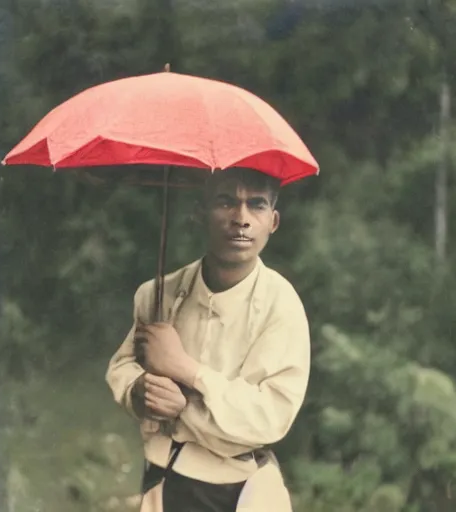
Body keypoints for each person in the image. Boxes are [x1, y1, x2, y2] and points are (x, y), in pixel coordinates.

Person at [106, 167, 311, 512]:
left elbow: (270, 417)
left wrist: (185, 372)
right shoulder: (160, 294)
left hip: (240, 488)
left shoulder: (282, 306)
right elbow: (123, 367)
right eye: (226, 202)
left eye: (256, 205)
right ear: (200, 213)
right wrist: (141, 390)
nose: (241, 219)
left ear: (273, 222)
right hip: (163, 477)